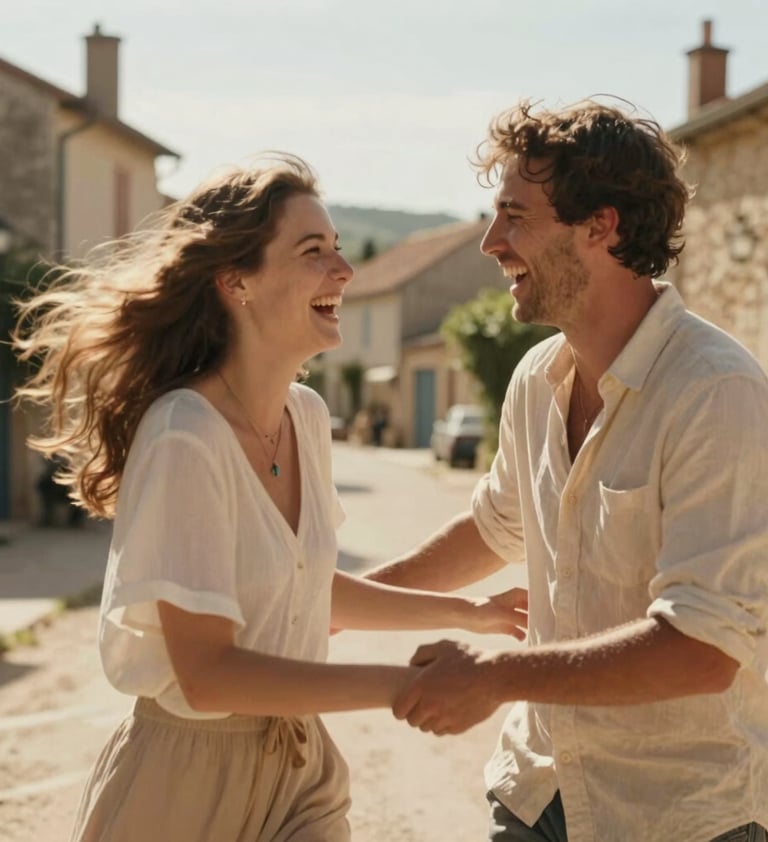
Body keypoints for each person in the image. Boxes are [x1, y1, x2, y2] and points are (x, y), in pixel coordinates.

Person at [13, 154, 528, 842]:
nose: (343, 271)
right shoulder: (184, 436)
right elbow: (208, 676)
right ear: (237, 283)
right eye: (313, 252)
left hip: (298, 770)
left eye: (339, 250)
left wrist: (470, 613)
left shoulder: (308, 418)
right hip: (184, 782)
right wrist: (401, 687)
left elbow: (300, 584)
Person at [365, 101, 768, 841]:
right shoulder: (536, 376)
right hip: (534, 793)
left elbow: (703, 649)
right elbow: (494, 527)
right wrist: (335, 604)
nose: (490, 243)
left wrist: (495, 677)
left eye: (514, 217)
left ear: (600, 227)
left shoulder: (716, 392)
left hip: (678, 817)